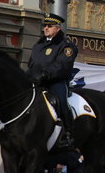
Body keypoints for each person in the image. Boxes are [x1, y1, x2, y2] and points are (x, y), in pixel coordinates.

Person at [27, 13, 79, 149]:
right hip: (36, 82)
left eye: (49, 26)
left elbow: (62, 66)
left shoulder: (66, 46)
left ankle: (68, 133)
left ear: (58, 28)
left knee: (61, 101)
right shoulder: (38, 45)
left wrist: (45, 75)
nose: (46, 28)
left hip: (55, 81)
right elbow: (31, 64)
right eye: (45, 26)